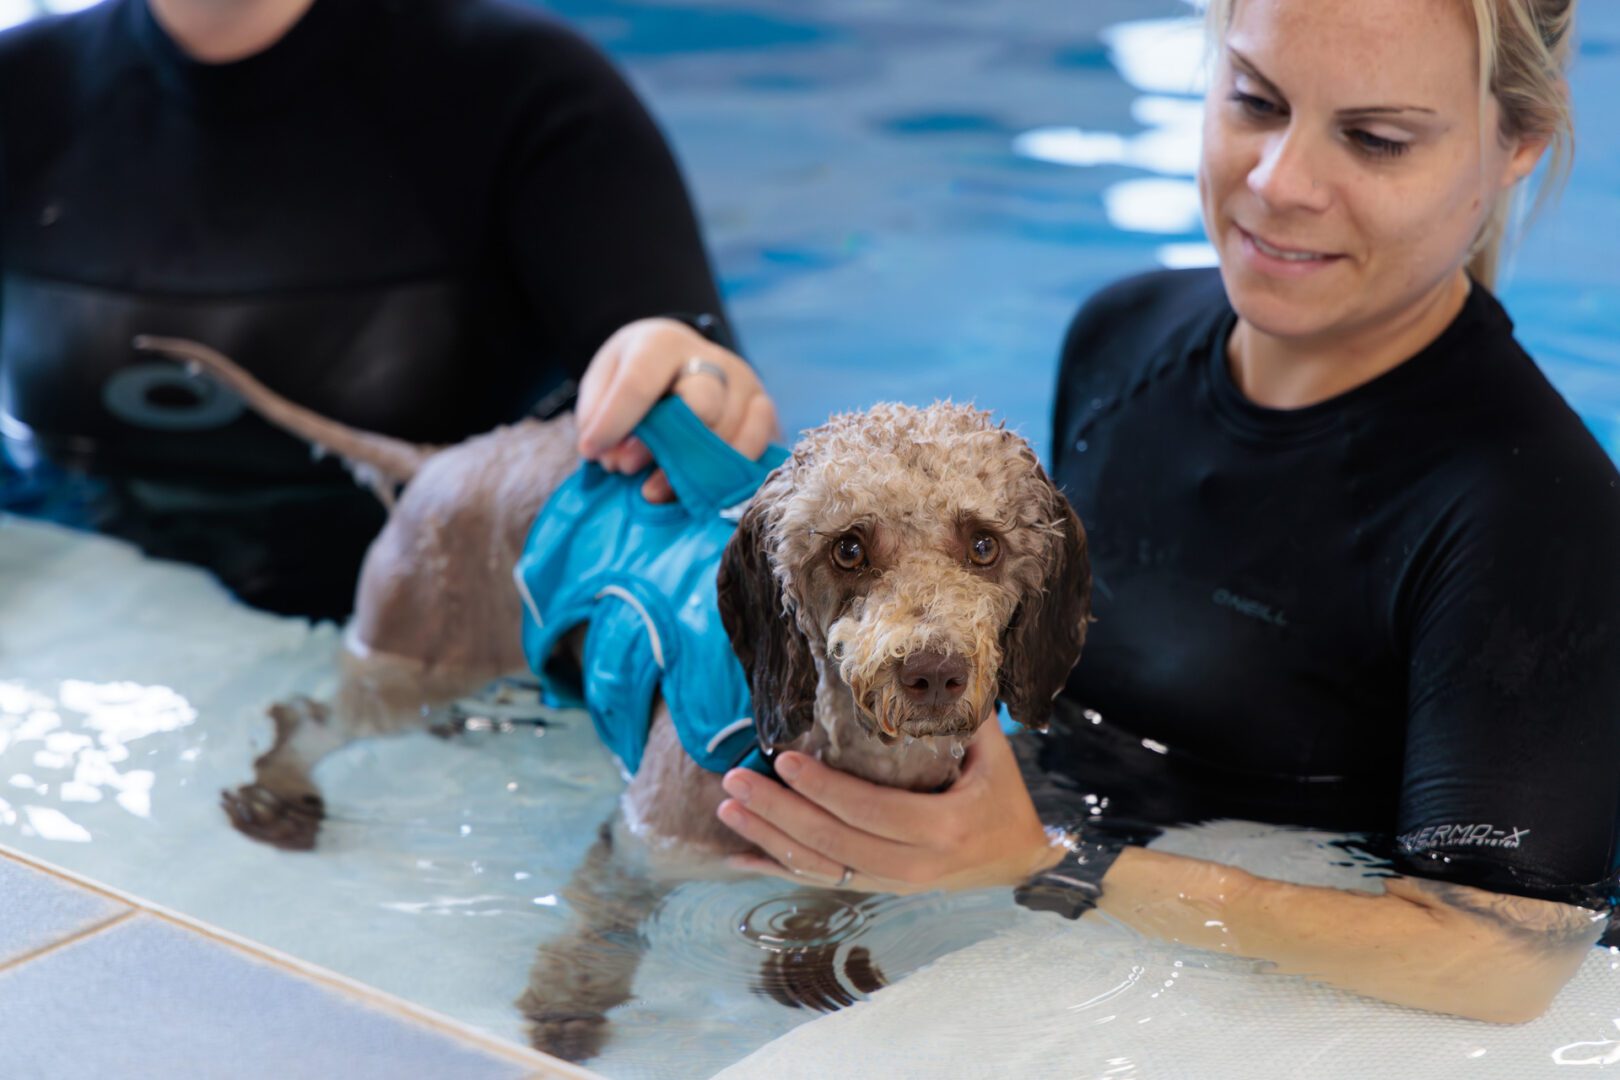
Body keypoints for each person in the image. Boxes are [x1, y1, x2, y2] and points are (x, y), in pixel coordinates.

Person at [580, 0, 1620, 1023]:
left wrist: (1052, 866)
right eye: (1256, 100)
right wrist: (716, 416)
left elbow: (1503, 961)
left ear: (1516, 141)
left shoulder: (1536, 512)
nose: (1282, 183)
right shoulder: (1124, 335)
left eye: (1376, 138)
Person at [0, 0, 770, 618]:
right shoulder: (23, 88)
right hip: (84, 623)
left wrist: (693, 379)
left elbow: (680, 369)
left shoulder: (527, 89)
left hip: (430, 663)